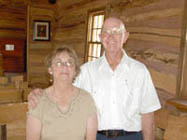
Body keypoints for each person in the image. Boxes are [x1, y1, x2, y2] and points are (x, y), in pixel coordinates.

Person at [28, 17, 161, 140]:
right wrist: (38, 93)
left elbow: (148, 115)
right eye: (106, 32)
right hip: (97, 136)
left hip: (131, 136)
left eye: (116, 31)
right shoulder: (87, 71)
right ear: (100, 37)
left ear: (125, 36)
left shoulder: (139, 71)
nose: (111, 36)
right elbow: (63, 86)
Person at [26, 46, 98, 140]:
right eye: (58, 63)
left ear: (75, 70)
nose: (64, 66)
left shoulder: (87, 99)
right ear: (50, 69)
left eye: (69, 63)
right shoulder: (38, 100)